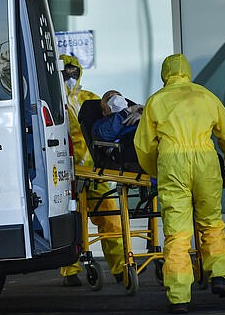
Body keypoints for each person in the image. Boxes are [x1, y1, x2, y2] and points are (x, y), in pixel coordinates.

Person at [134, 54, 225, 314]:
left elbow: (143, 145)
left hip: (172, 165)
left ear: (165, 74)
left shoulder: (156, 101)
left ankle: (180, 297)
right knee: (211, 222)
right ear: (188, 72)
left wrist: (154, 171)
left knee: (178, 233)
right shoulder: (206, 96)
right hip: (205, 162)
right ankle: (219, 276)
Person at [60, 54, 125, 286]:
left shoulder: (89, 99)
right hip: (66, 174)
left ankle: (120, 267)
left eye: (74, 71)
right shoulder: (53, 100)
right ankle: (70, 270)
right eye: (65, 71)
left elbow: (105, 127)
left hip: (95, 171)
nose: (70, 76)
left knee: (110, 218)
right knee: (71, 223)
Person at [91, 90, 143, 167]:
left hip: (142, 141)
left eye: (119, 95)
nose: (116, 98)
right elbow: (107, 134)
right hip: (123, 148)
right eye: (109, 98)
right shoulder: (100, 124)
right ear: (104, 111)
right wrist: (126, 112)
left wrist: (144, 115)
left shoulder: (134, 116)